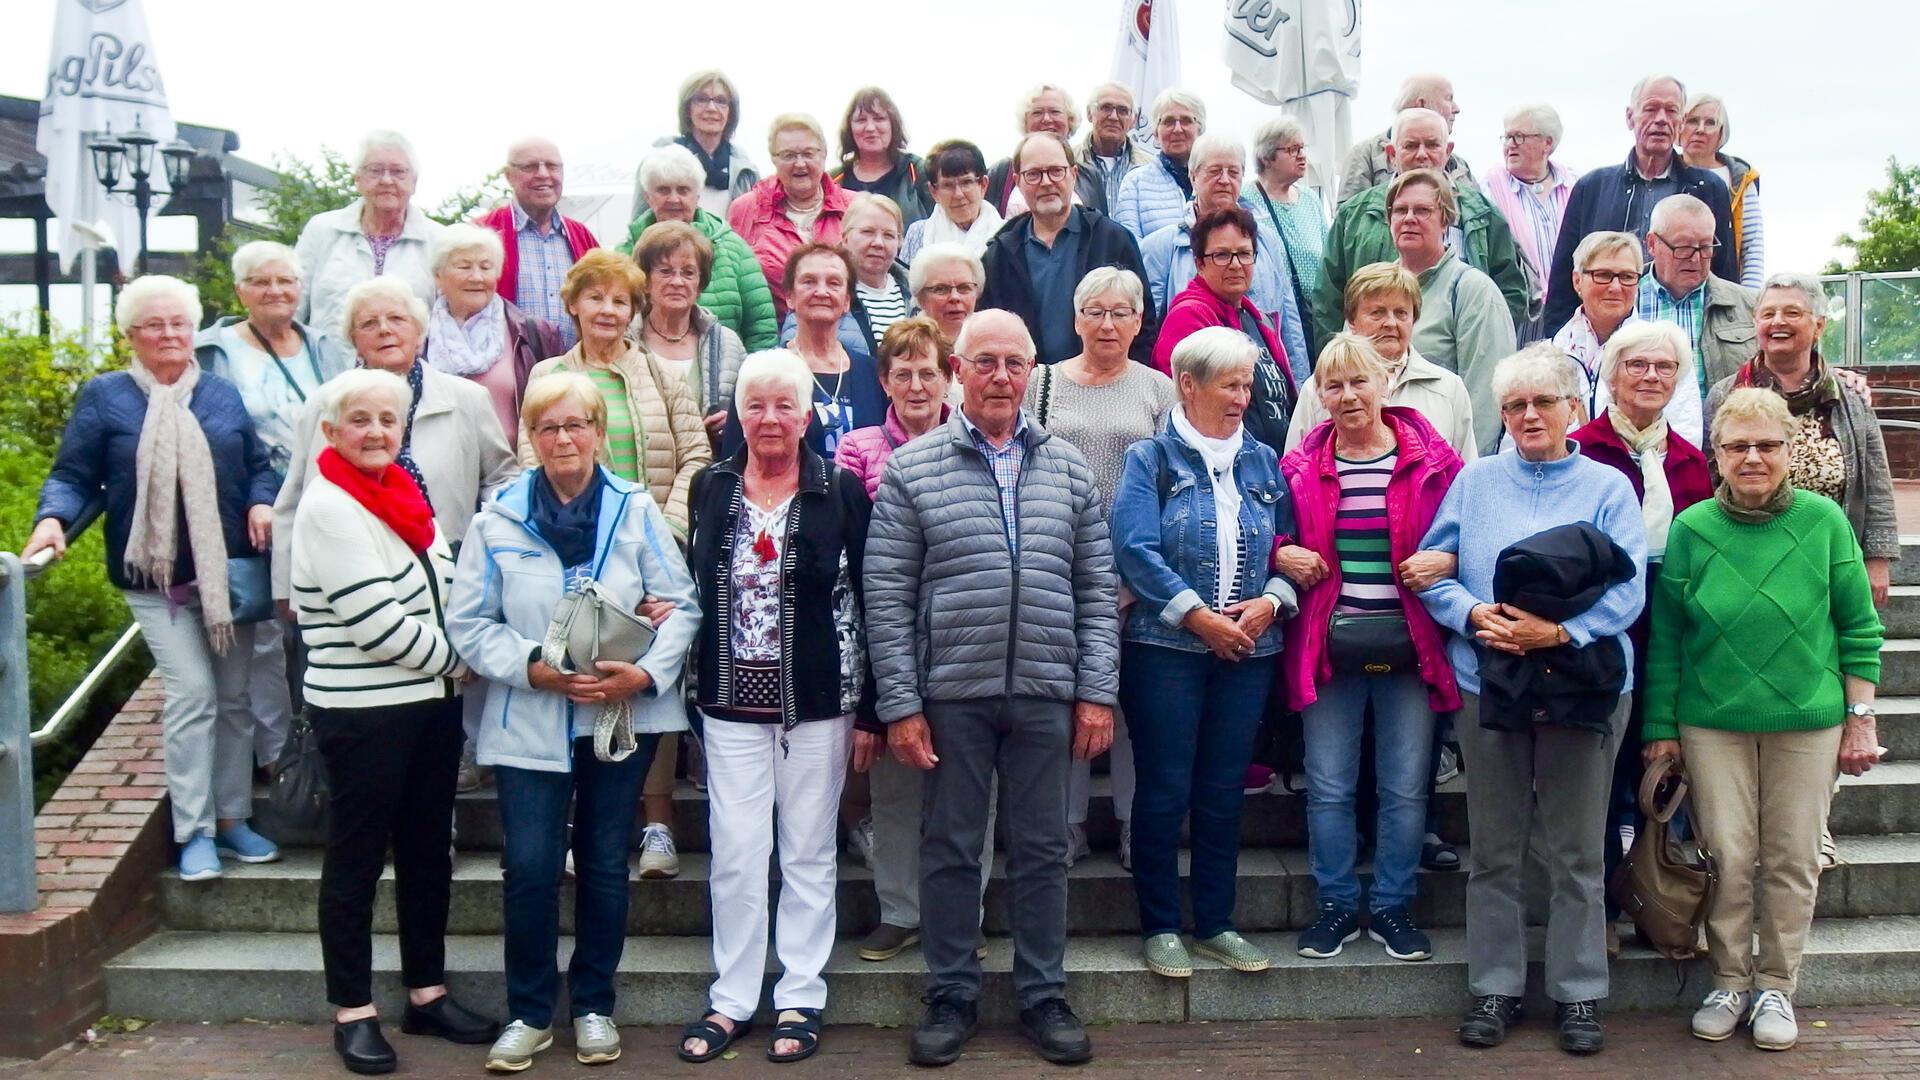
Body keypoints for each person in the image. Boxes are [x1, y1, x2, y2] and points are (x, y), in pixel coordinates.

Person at [867, 309, 1119, 1068]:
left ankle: (1043, 994)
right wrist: (901, 706)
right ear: (957, 370)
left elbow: (1095, 587)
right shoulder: (913, 469)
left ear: (1031, 373)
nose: (1001, 377)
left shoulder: (1068, 467)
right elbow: (886, 594)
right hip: (953, 691)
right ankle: (951, 994)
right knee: (949, 846)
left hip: (1046, 687)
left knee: (1043, 848)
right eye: (986, 362)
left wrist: (1096, 691)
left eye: (1015, 363)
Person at [447, 373, 700, 1073]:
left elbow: (682, 603)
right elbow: (468, 622)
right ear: (531, 439)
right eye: (548, 428)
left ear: (597, 432)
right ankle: (528, 1014)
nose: (564, 439)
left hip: (618, 715)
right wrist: (534, 667)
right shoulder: (497, 517)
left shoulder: (636, 507)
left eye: (576, 425)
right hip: (531, 715)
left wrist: (644, 673)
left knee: (601, 864)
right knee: (529, 867)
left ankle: (593, 1006)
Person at [1417, 343, 1648, 1056]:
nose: (1527, 415)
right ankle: (1496, 985)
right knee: (1494, 848)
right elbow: (1433, 568)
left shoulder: (1609, 485)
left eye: (1542, 401)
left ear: (1574, 408)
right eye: (1514, 405)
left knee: (1577, 849)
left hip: (1582, 683)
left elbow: (1631, 586)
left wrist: (1562, 631)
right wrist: (1471, 615)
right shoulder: (1476, 481)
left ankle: (1579, 994)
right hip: (1491, 682)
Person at [1643, 387, 1884, 1053]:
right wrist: (1660, 727)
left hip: (1809, 720)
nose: (1753, 457)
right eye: (1737, 446)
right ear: (1716, 455)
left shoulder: (1824, 523)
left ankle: (1776, 983)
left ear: (1790, 451)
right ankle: (1728, 977)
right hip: (1711, 721)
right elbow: (1665, 640)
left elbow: (1859, 629)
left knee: (1793, 856)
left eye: (1767, 445)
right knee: (1728, 854)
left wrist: (1860, 719)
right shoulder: (1692, 529)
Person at [28, 274, 281, 882]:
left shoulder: (219, 394)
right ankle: (191, 830)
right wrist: (51, 520)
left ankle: (231, 820)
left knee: (234, 699)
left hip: (228, 576)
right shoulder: (106, 396)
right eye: (154, 325)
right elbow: (74, 473)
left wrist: (261, 501)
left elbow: (256, 466)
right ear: (130, 335)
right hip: (154, 578)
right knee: (193, 693)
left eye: (179, 324)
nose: (169, 334)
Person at [285, 367, 499, 1073]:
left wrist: (455, 661)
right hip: (363, 715)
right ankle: (352, 1012)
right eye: (361, 420)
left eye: (389, 419)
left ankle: (427, 993)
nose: (377, 432)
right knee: (355, 860)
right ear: (331, 430)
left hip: (427, 708)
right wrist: (461, 664)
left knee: (425, 853)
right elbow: (376, 623)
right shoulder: (329, 506)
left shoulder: (402, 494)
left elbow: (443, 585)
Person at [677, 350, 874, 1065]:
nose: (769, 419)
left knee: (808, 851)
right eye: (754, 405)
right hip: (730, 703)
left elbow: (870, 602)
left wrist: (875, 710)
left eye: (784, 405)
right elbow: (691, 592)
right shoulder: (712, 488)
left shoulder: (840, 490)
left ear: (806, 415)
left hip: (818, 702)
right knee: (734, 852)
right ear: (735, 415)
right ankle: (731, 999)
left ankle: (800, 994)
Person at [1273, 332, 1465, 965]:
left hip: (1412, 645)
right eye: (1334, 385)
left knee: (1406, 786)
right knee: (1328, 785)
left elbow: (1475, 532)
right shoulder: (1298, 467)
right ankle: (1333, 905)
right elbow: (1260, 530)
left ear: (1386, 383)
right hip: (1329, 647)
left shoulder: (1435, 462)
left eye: (1360, 381)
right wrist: (1280, 552)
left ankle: (1391, 905)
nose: (1348, 395)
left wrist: (1449, 556)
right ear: (1319, 395)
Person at [1111, 325, 1295, 979]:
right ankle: (1161, 925)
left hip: (1250, 650)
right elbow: (1134, 549)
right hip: (1165, 649)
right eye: (1229, 383)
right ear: (1187, 385)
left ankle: (1216, 922)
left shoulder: (1264, 462)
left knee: (1222, 791)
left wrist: (1270, 601)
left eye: (1247, 383)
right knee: (1163, 790)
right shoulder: (1149, 460)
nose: (1243, 396)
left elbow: (1291, 550)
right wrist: (1198, 617)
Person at [832, 317, 982, 961]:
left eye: (928, 371)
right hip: (887, 633)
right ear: (884, 380)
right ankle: (899, 910)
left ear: (949, 374)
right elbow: (853, 550)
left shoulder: (975, 442)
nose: (916, 384)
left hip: (964, 634)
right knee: (895, 791)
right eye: (902, 373)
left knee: (970, 791)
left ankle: (962, 920)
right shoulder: (858, 450)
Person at [1026, 268, 1177, 868]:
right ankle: (1064, 826)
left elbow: (1172, 484)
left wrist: (1139, 577)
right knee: (1066, 703)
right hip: (1054, 566)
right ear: (1075, 318)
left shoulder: (1159, 390)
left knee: (1129, 707)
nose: (1108, 323)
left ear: (1140, 321)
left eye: (1121, 312)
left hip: (1135, 573)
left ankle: (1132, 823)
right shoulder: (1041, 384)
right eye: (1095, 311)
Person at [1568, 320, 1713, 944]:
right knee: (1602, 777)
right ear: (1612, 373)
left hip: (1673, 628)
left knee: (1665, 776)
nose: (1650, 377)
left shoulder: (1691, 461)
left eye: (1663, 368)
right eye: (1637, 365)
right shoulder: (1582, 450)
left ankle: (1662, 902)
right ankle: (1597, 910)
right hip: (1600, 627)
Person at [273, 277, 520, 641]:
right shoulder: (326, 404)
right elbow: (294, 497)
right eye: (369, 323)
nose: (384, 330)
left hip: (449, 574)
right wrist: (286, 587)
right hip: (349, 574)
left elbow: (502, 479)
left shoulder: (467, 398)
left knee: (444, 685)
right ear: (354, 339)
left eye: (396, 319)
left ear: (420, 331)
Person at [192, 242, 351, 773]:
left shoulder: (325, 347)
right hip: (251, 509)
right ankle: (274, 757)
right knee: (263, 634)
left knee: (319, 622)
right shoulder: (214, 351)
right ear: (240, 291)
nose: (276, 292)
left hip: (323, 499)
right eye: (261, 282)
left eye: (286, 282)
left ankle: (317, 751)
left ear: (300, 289)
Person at [1704, 273, 1899, 602]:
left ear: (1819, 325)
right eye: (1768, 313)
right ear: (1756, 323)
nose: (1778, 321)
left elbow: (1876, 483)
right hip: (1747, 558)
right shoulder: (1725, 395)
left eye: (1792, 313)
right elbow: (1709, 478)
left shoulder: (1849, 397)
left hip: (1831, 559)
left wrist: (1877, 559)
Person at [1315, 109, 1531, 345]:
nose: (1422, 155)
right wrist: (1337, 361)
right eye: (1410, 146)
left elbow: (1511, 288)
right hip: (1374, 362)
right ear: (1391, 153)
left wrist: (1485, 333)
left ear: (1448, 151)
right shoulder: (1355, 216)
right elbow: (1329, 299)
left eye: (1432, 145)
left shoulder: (1482, 212)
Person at [1544, 75, 1739, 330]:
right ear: (1629, 117)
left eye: (1671, 111)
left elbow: (1724, 278)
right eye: (1650, 109)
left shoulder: (1709, 189)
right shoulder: (1592, 188)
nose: (1661, 119)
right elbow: (1563, 281)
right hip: (1605, 340)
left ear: (1681, 122)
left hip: (1687, 337)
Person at [1139, 132, 1310, 381]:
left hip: (1265, 385)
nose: (1224, 180)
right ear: (1193, 175)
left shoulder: (1266, 239)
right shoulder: (1161, 246)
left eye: (1233, 172)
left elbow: (1288, 318)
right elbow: (1149, 332)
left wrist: (1299, 383)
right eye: (1214, 171)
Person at [980, 132, 1155, 366]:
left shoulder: (1111, 240)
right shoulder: (999, 255)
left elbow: (1143, 321)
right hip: (1028, 388)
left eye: (1055, 171)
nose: (1046, 182)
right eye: (1033, 174)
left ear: (1073, 175)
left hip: (1102, 382)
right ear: (1018, 181)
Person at [1384, 170, 1517, 454]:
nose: (1409, 218)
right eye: (1400, 210)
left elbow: (1486, 401)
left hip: (1442, 471)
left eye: (1422, 210)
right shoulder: (1371, 292)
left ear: (1446, 221)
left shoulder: (1472, 292)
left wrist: (1465, 478)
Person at [1286, 263, 1477, 459]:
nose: (1391, 323)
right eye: (1377, 312)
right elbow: (1295, 470)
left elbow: (1467, 478)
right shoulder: (1320, 389)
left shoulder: (1448, 389)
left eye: (1401, 313)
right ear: (1351, 320)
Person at [723, 244, 887, 458]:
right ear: (790, 296)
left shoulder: (873, 372)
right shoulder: (762, 372)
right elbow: (734, 458)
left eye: (834, 283)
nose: (821, 292)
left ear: (847, 300)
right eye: (809, 282)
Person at [1153, 207, 1294, 454]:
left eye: (1244, 253)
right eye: (1222, 255)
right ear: (1199, 263)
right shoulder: (1189, 318)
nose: (1236, 265)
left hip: (1268, 464)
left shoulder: (1257, 318)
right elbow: (1185, 404)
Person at [422, 224, 564, 449]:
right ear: (438, 276)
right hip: (438, 468)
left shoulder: (533, 333)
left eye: (486, 267)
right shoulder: (417, 335)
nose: (476, 277)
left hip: (513, 471)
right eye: (464, 266)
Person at [626, 143, 778, 352]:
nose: (673, 199)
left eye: (683, 190)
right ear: (647, 196)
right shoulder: (625, 253)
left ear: (698, 196)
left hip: (726, 375)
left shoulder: (734, 249)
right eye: (663, 190)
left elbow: (761, 329)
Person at [295, 130, 444, 341]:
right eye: (375, 171)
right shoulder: (322, 230)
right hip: (329, 370)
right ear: (358, 179)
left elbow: (448, 319)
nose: (386, 180)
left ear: (414, 182)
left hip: (408, 371)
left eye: (398, 171)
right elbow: (293, 306)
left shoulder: (439, 241)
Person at [475, 137, 599, 351]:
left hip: (576, 375)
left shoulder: (582, 237)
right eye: (530, 167)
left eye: (552, 166)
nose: (543, 174)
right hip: (508, 373)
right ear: (508, 176)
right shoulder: (481, 234)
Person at [1638, 194, 1758, 412]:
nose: (1695, 258)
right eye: (1683, 247)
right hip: (1636, 441)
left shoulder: (1750, 307)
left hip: (1722, 441)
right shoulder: (1624, 299)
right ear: (1652, 244)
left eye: (1705, 247)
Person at [633, 220, 748, 440]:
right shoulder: (626, 341)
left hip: (709, 466)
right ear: (645, 281)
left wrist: (734, 420)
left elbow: (749, 409)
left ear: (700, 283)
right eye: (665, 271)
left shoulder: (727, 343)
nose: (677, 282)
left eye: (688, 273)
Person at [728, 114, 849, 319]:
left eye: (808, 153)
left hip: (843, 333)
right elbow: (731, 282)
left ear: (824, 154)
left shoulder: (854, 208)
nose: (800, 164)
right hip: (770, 336)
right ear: (773, 159)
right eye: (788, 155)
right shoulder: (745, 209)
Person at [1480, 104, 1579, 342]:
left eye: (1520, 137)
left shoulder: (1574, 184)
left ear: (1548, 143)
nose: (1510, 144)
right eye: (1507, 137)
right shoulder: (1489, 188)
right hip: (1517, 313)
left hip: (1568, 309)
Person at [1551, 232, 1654, 430]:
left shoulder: (1662, 354)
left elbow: (1683, 440)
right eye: (1603, 275)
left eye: (1626, 277)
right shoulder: (1548, 357)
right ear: (1577, 281)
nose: (1615, 287)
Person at [1246, 116, 1329, 361]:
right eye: (1292, 150)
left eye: (1302, 148)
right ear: (1266, 157)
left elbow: (1327, 255)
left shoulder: (1311, 200)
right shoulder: (1246, 199)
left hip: (1314, 318)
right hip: (1274, 317)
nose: (1302, 155)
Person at [635, 70, 759, 221]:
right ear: (687, 108)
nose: (712, 108)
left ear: (731, 111)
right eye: (701, 99)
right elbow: (639, 225)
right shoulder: (658, 162)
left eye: (721, 101)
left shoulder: (746, 171)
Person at [1339, 73, 1476, 203]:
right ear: (1422, 104)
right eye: (1449, 99)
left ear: (1447, 151)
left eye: (1433, 145)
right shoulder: (1365, 155)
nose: (1456, 109)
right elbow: (1349, 219)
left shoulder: (1460, 165)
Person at [1680, 94, 1763, 288]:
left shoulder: (1740, 179)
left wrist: (1749, 298)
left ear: (1721, 133)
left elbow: (1752, 248)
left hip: (1725, 287)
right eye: (1692, 121)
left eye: (1710, 123)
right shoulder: (1663, 175)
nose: (1700, 130)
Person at [1111, 89, 1207, 239]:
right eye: (1168, 121)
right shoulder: (1135, 184)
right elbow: (1129, 249)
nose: (1177, 129)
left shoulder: (1218, 179)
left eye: (1186, 120)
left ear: (1200, 129)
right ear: (1155, 132)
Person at [830, 86, 932, 225]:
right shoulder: (832, 181)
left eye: (879, 119)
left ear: (893, 124)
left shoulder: (917, 171)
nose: (870, 128)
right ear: (849, 128)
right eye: (861, 120)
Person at [983, 83, 1083, 213]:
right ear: (1025, 122)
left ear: (1070, 120)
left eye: (1055, 112)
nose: (1047, 119)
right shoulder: (1001, 172)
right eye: (1037, 113)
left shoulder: (1090, 176)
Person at [900, 140, 1003, 265]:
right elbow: (904, 282)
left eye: (966, 182)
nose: (958, 194)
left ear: (983, 185)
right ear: (934, 191)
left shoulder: (1007, 234)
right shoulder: (918, 234)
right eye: (947, 185)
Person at [842, 193, 915, 352]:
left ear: (899, 242)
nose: (878, 243)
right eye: (867, 232)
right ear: (845, 238)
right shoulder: (827, 293)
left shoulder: (917, 294)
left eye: (888, 235)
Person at [1074, 82, 1152, 215]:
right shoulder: (1067, 161)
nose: (1113, 117)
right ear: (1089, 113)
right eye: (1106, 107)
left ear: (1134, 120)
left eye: (1123, 110)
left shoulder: (1150, 167)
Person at [912, 243, 986, 346]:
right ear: (920, 298)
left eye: (964, 287)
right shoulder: (905, 349)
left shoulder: (990, 342)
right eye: (941, 289)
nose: (955, 297)